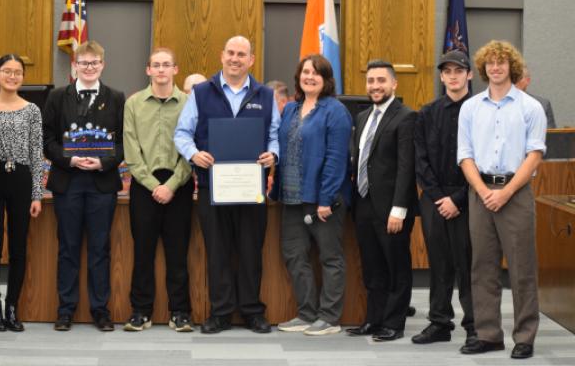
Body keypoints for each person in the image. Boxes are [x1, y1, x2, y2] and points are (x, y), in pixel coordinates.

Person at [174, 35, 280, 334]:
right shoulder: (201, 92)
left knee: (250, 250)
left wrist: (274, 153)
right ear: (222, 56)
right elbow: (182, 133)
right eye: (231, 53)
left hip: (251, 186)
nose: (235, 59)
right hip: (212, 185)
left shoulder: (265, 95)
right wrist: (195, 154)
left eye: (241, 54)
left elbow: (274, 135)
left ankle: (251, 311)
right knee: (217, 251)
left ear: (251, 60)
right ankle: (220, 313)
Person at [458, 41, 546, 359]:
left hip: (516, 193)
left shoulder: (529, 107)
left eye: (502, 62)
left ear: (512, 67)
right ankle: (488, 334)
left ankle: (524, 336)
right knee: (482, 267)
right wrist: (483, 192)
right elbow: (465, 155)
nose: (496, 68)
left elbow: (535, 155)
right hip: (480, 192)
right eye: (491, 63)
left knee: (522, 269)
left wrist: (506, 192)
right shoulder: (471, 108)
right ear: (483, 69)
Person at [43, 40, 125, 332]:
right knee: (68, 247)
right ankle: (65, 309)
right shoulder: (56, 97)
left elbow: (122, 142)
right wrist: (70, 159)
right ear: (74, 65)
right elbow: (47, 139)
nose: (89, 68)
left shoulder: (116, 97)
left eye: (94, 63)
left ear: (102, 65)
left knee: (100, 249)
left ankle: (100, 310)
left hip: (102, 182)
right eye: (84, 63)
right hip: (68, 181)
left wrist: (104, 163)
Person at [272, 55, 352, 335]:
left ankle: (329, 318)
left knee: (330, 257)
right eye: (305, 72)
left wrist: (326, 198)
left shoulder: (335, 110)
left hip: (323, 200)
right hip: (291, 197)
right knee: (294, 255)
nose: (310, 77)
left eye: (316, 73)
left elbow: (336, 158)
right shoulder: (291, 109)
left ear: (326, 79)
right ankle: (306, 313)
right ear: (298, 76)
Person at [123, 48, 194, 333]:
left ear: (175, 70)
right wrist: (154, 185)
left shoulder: (189, 103)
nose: (162, 69)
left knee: (178, 253)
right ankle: (140, 312)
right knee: (143, 252)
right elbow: (131, 149)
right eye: (156, 65)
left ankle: (181, 312)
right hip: (144, 186)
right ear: (148, 70)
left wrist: (172, 184)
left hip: (179, 185)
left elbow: (192, 148)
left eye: (167, 65)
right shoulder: (134, 104)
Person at [346, 60, 418, 342]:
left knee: (396, 267)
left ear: (393, 84)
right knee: (372, 266)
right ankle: (373, 320)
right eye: (371, 81)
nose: (375, 86)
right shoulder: (362, 117)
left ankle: (394, 323)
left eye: (381, 81)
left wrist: (399, 210)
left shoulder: (406, 117)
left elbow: (406, 167)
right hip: (364, 204)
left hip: (392, 209)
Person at [411, 50, 475, 346]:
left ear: (469, 75)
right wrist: (439, 198)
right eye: (447, 71)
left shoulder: (479, 111)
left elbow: (483, 160)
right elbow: (420, 160)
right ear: (441, 76)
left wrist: (458, 199)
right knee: (439, 262)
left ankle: (475, 324)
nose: (453, 76)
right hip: (435, 199)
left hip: (470, 196)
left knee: (468, 263)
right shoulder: (426, 113)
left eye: (458, 70)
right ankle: (439, 323)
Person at [0, 54, 44, 333]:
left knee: (19, 247)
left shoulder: (32, 110)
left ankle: (12, 306)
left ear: (23, 76)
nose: (12, 76)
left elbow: (36, 153)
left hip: (20, 178)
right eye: (6, 71)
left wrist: (36, 194)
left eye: (17, 72)